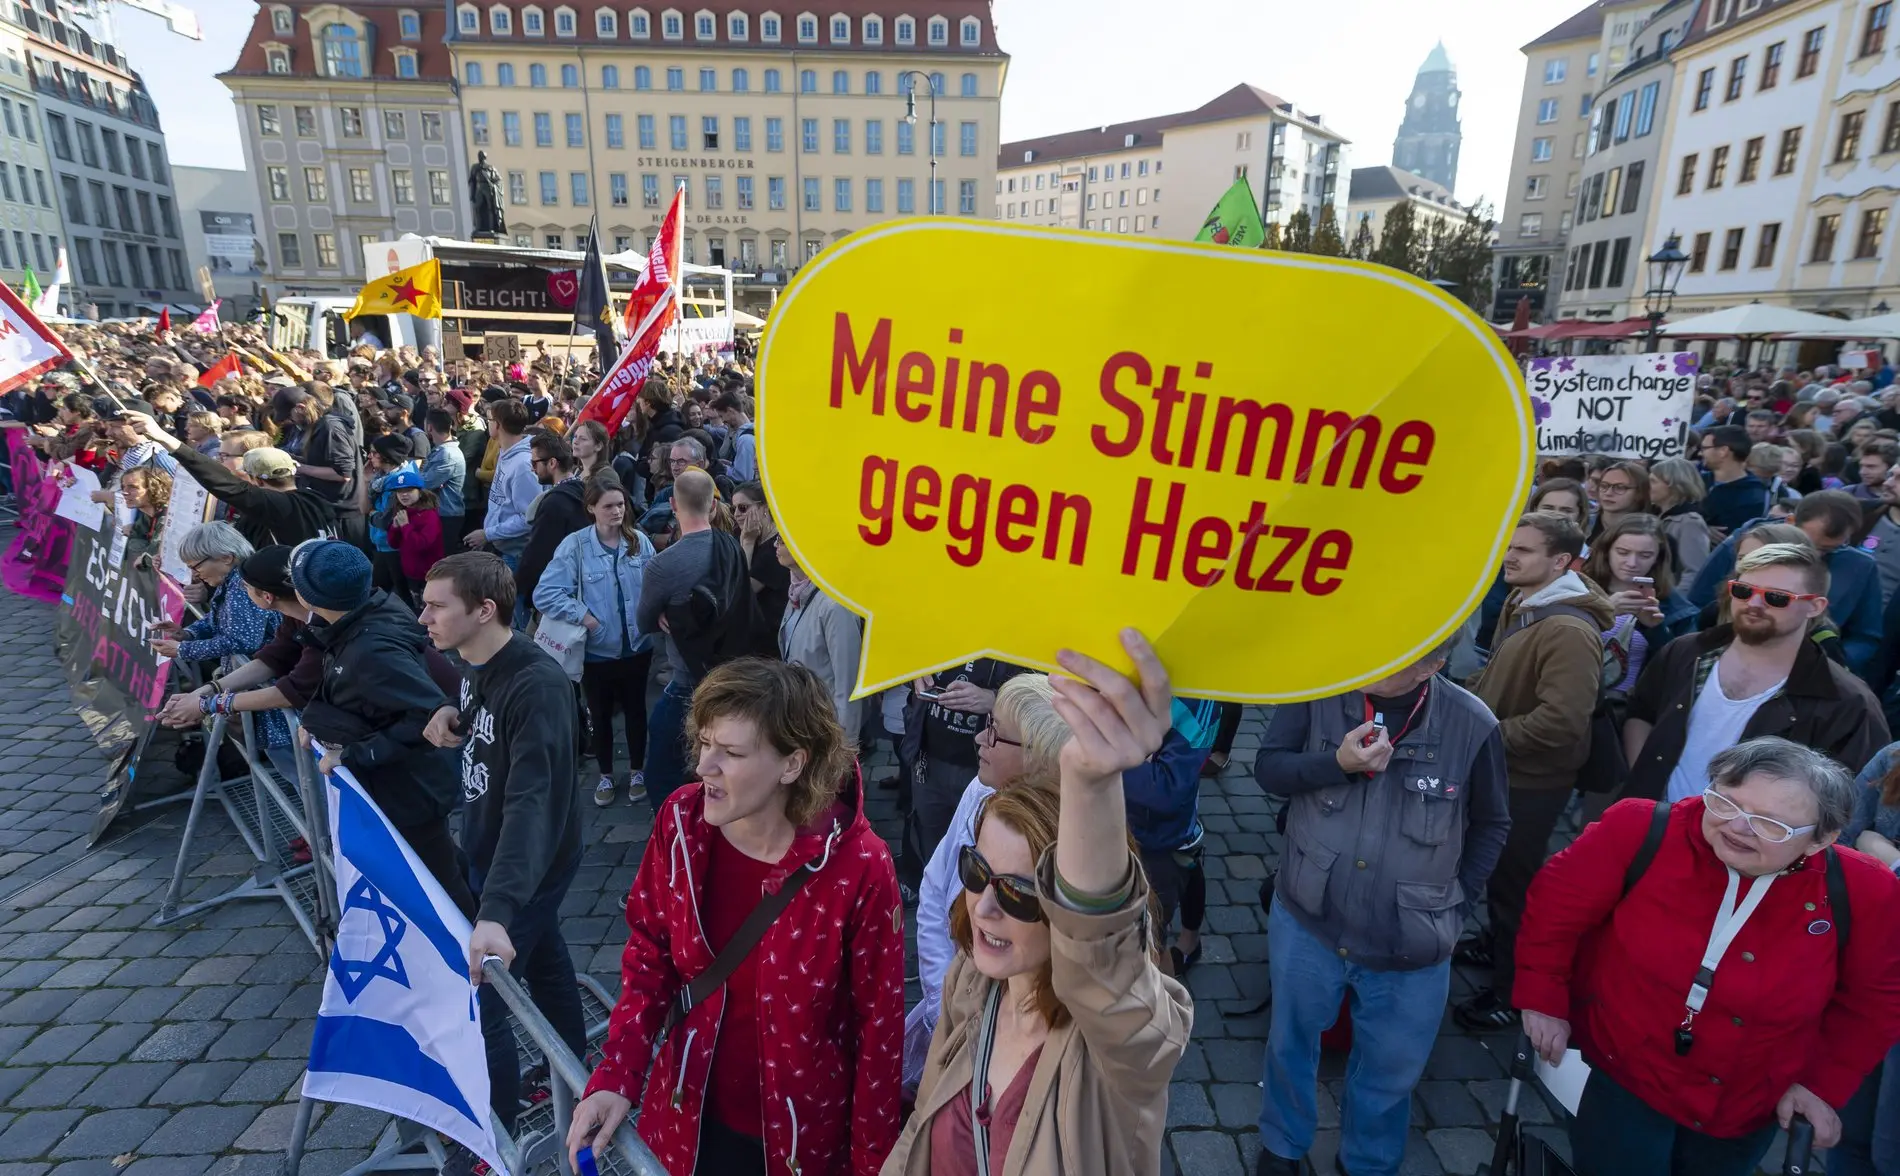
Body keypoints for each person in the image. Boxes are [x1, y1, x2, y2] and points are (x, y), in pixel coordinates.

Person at [566, 658, 905, 1176]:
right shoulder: (681, 821)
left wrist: (871, 1166)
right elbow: (650, 953)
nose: (705, 766)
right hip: (685, 1119)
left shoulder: (859, 866)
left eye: (731, 752)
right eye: (704, 744)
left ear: (792, 764)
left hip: (800, 1145)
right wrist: (617, 1075)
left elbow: (878, 1031)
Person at [879, 630, 1192, 1176]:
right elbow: (920, 1128)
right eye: (977, 872)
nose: (982, 908)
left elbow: (1104, 972)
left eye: (1020, 893)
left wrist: (1093, 784)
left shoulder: (1112, 1050)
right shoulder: (969, 982)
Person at [1514, 739, 1900, 1176]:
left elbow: (1873, 1001)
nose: (1739, 827)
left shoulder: (1866, 891)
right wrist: (1542, 997)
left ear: (1820, 840)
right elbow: (1555, 909)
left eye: (1771, 824)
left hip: (1744, 1104)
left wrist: (1821, 1086)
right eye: (1725, 802)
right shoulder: (1640, 829)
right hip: (1621, 1074)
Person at [1254, 640, 1510, 1176]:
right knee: (1290, 1042)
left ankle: (1367, 1162)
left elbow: (1491, 823)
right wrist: (1337, 763)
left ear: (1434, 665)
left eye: (1395, 656)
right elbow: (1270, 770)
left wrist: (1456, 902)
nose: (1371, 659)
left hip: (1411, 940)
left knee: (1391, 1068)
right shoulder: (1320, 688)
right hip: (1308, 919)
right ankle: (1282, 1145)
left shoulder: (1473, 724)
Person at [417, 551, 588, 1134]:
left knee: (487, 995)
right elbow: (485, 713)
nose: (424, 618)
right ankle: (571, 1068)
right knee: (546, 959)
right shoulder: (472, 661)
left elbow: (532, 802)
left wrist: (496, 909)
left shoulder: (538, 684)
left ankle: (497, 1132)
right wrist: (451, 715)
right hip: (493, 852)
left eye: (438, 606)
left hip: (528, 860)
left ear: (485, 610)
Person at [1456, 511, 1613, 1031]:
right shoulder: (1529, 601)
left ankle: (1511, 993)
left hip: (1530, 781)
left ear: (1561, 562)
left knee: (1513, 886)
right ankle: (1493, 948)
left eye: (1523, 550)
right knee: (1499, 877)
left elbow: (1562, 723)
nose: (1509, 557)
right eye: (1509, 546)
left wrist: (1480, 735)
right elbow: (1499, 673)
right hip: (1507, 770)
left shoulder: (1567, 629)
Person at [902, 674, 1069, 1090]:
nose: (979, 738)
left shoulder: (1065, 843)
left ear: (1040, 755)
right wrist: (943, 999)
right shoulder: (979, 791)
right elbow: (936, 886)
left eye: (994, 732)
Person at [1625, 542, 1889, 802]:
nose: (1754, 603)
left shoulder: (1847, 702)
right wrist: (1646, 781)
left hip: (1747, 841)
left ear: (1815, 607)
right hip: (1651, 826)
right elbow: (1641, 712)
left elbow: (1852, 798)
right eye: (1743, 590)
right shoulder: (1686, 651)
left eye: (1776, 597)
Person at [290, 540, 471, 910]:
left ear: (310, 598)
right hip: (404, 784)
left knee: (441, 886)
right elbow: (350, 685)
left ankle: (483, 961)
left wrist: (353, 755)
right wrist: (317, 718)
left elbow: (426, 715)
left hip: (410, 789)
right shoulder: (362, 617)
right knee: (442, 865)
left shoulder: (371, 649)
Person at [635, 468, 759, 811]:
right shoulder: (731, 546)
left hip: (687, 682)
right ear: (714, 505)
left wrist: (669, 615)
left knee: (662, 771)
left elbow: (644, 621)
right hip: (732, 674)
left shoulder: (663, 565)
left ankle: (679, 833)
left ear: (673, 504)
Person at [533, 474, 658, 808]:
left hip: (637, 645)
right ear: (591, 509)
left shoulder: (638, 541)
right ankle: (605, 774)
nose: (616, 512)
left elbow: (651, 586)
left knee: (636, 711)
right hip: (597, 651)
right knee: (599, 714)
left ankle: (636, 771)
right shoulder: (575, 546)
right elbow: (544, 592)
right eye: (608, 506)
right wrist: (583, 615)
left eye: (620, 505)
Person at [1687, 491, 1886, 679]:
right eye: (1810, 545)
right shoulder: (1748, 545)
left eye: (1829, 549)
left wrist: (1827, 663)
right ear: (1790, 522)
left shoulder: (1860, 567)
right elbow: (1697, 603)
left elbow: (1865, 636)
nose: (1812, 557)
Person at [125, 412, 337, 548]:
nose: (218, 461)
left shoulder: (275, 504)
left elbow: (222, 482)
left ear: (253, 474)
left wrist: (164, 438)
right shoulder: (317, 500)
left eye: (224, 456)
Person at [1582, 514, 1698, 689]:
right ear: (1607, 551)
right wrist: (1603, 613)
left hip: (1627, 706)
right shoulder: (1578, 588)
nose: (1632, 563)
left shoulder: (1676, 608)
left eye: (1645, 555)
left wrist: (1656, 629)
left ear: (1657, 558)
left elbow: (1679, 671)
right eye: (1622, 552)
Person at [776, 537, 861, 733]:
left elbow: (847, 684)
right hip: (802, 716)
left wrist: (845, 746)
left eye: (782, 539)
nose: (775, 544)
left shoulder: (835, 605)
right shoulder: (796, 593)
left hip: (826, 724)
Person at [514, 432, 589, 624]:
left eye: (535, 463)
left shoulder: (555, 503)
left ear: (552, 463)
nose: (532, 469)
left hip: (555, 594)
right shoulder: (584, 491)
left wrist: (523, 588)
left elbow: (538, 554)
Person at [463, 397, 535, 567]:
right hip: (501, 546)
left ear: (498, 425)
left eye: (489, 420)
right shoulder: (505, 452)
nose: (487, 424)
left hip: (516, 554)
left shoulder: (523, 464)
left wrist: (488, 534)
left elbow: (528, 517)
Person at [734, 482, 789, 656]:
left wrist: (748, 544)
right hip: (751, 636)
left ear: (764, 508)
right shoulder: (745, 536)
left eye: (743, 508)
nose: (736, 514)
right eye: (733, 509)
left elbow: (741, 591)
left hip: (769, 643)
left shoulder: (777, 548)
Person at [1650, 456, 1716, 581]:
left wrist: (1677, 600)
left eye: (1653, 481)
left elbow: (1694, 572)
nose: (1647, 486)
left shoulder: (1690, 522)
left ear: (1673, 485)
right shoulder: (1654, 514)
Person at [381, 470, 444, 600]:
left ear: (420, 492)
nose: (403, 495)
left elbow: (421, 544)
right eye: (399, 491)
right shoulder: (403, 512)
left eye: (409, 490)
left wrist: (405, 526)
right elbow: (393, 543)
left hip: (428, 574)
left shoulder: (429, 515)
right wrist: (395, 528)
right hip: (411, 572)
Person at [1700, 426, 1769, 534]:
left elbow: (1730, 535)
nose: (1700, 453)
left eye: (1704, 448)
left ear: (1723, 451)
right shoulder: (1697, 481)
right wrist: (1701, 528)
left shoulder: (1753, 494)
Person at [420, 407, 467, 552]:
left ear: (429, 427)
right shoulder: (442, 450)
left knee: (442, 559)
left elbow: (425, 483)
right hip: (443, 514)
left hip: (447, 516)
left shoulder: (447, 454)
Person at [1589, 460, 1651, 542]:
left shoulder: (1653, 532)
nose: (1608, 493)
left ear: (1639, 493)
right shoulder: (1581, 525)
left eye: (1620, 487)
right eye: (1604, 486)